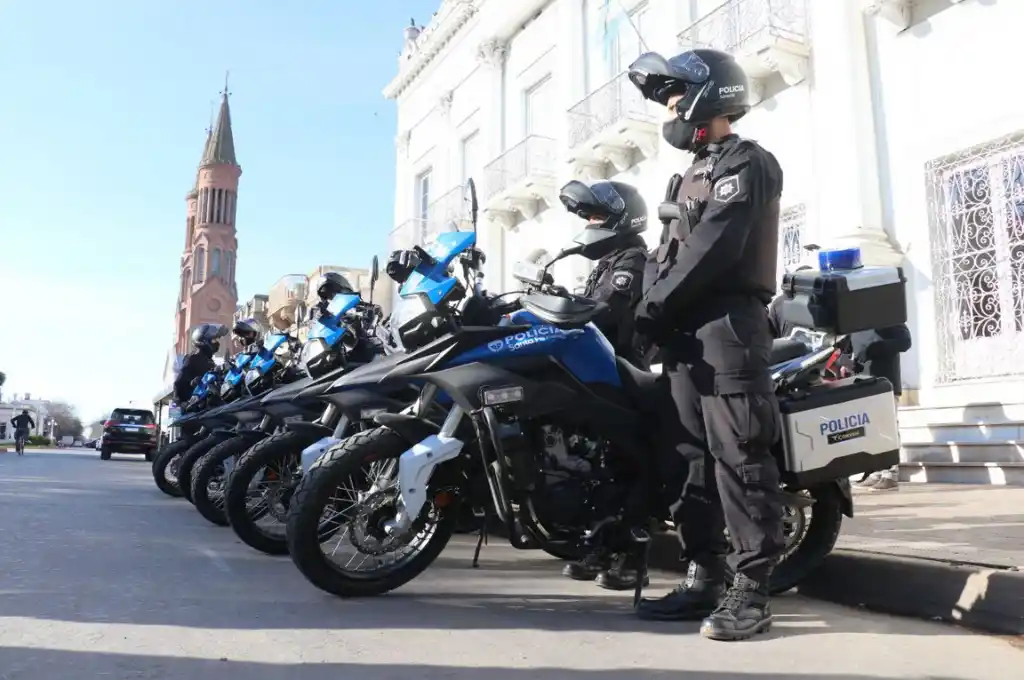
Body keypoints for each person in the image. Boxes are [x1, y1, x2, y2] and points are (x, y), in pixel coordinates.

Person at [626, 48, 786, 640]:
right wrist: (642, 311)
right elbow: (665, 254)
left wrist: (655, 305)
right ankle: (705, 576)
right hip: (685, 337)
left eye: (674, 95)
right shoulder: (687, 173)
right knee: (689, 460)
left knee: (740, 457)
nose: (668, 107)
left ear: (708, 95)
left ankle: (752, 591)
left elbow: (715, 245)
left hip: (729, 330)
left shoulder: (748, 161)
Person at [555, 178, 650, 591]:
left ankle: (633, 553)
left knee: (627, 463)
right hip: (600, 373)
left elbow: (606, 312)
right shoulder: (608, 261)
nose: (589, 222)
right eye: (587, 215)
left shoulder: (632, 259)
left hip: (626, 373)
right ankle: (604, 542)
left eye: (595, 215)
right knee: (600, 463)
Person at [843, 324, 912, 491]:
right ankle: (876, 470)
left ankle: (890, 473)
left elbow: (904, 341)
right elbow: (848, 348)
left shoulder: (885, 314)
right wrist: (847, 362)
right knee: (871, 430)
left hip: (884, 381)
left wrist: (876, 349)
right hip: (863, 383)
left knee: (886, 427)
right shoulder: (853, 320)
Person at [173, 324, 227, 438]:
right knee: (191, 443)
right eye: (213, 339)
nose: (217, 342)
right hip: (194, 410)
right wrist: (182, 404)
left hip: (205, 408)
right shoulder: (194, 358)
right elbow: (179, 383)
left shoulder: (209, 361)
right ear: (203, 341)